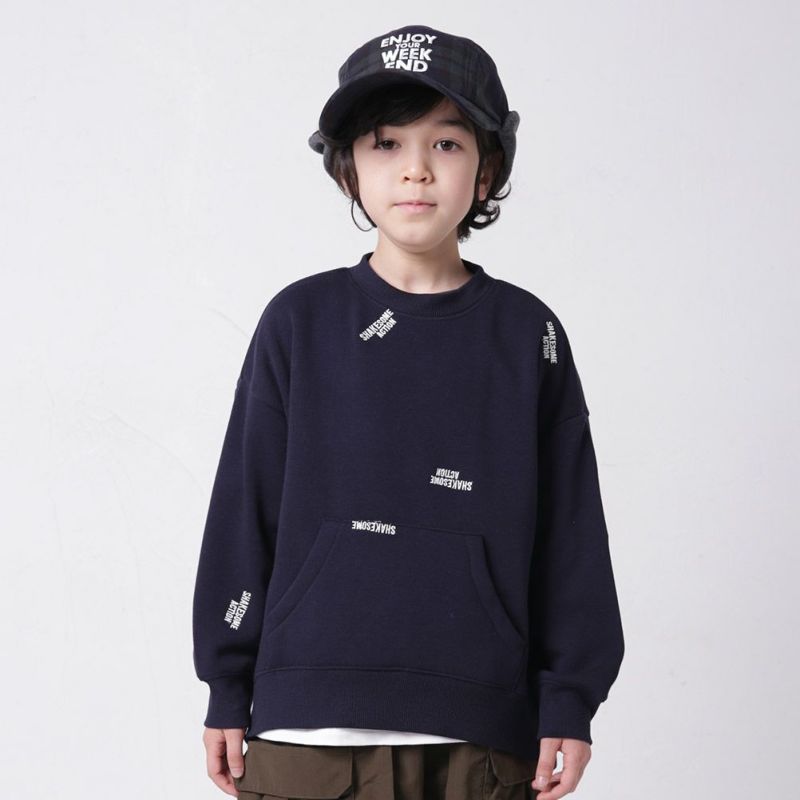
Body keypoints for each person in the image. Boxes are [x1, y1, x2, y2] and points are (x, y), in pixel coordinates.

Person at [192, 22, 625, 800]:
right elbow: (244, 508)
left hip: (478, 738)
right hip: (307, 735)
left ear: (487, 170)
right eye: (386, 143)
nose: (416, 169)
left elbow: (571, 534)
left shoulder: (528, 335)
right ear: (349, 169)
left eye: (446, 144)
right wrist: (227, 682)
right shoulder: (299, 322)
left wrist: (569, 697)